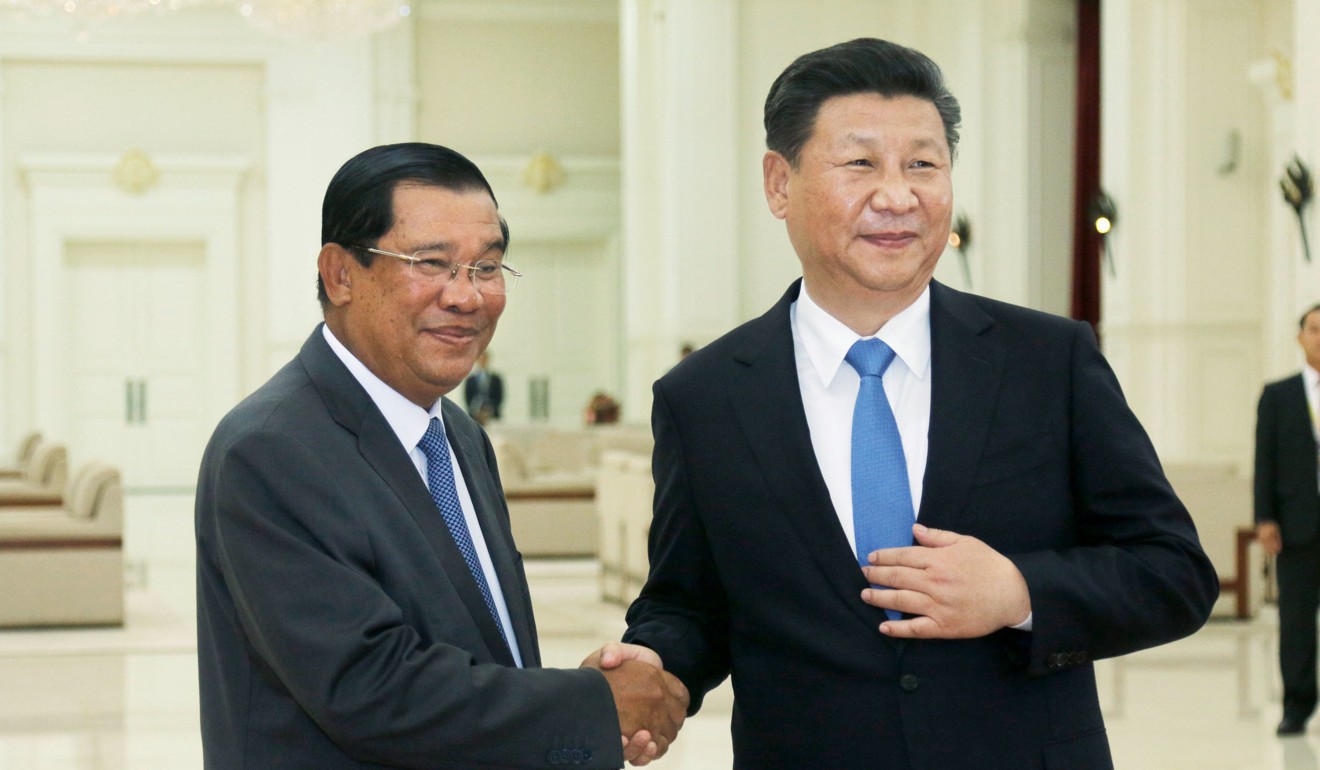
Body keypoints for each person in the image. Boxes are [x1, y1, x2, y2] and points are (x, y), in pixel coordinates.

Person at [615, 38, 1218, 769]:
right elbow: (690, 602)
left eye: (923, 165)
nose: (898, 196)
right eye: (861, 163)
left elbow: (1174, 573)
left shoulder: (1047, 362)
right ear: (780, 183)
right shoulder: (705, 397)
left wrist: (1018, 591)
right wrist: (651, 663)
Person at [195, 142, 687, 769]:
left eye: (487, 268)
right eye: (431, 263)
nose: (466, 297)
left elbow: (479, 649)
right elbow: (369, 689)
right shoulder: (271, 448)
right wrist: (591, 704)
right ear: (340, 274)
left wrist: (561, 699)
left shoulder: (456, 434)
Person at [1255, 303, 1320, 736]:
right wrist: (1265, 517)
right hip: (1298, 527)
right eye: (1314, 329)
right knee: (1296, 622)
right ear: (1300, 337)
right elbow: (1265, 460)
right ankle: (1296, 704)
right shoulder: (1278, 395)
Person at [464, 350, 504, 424]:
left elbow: (499, 397)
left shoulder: (495, 379)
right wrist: (476, 412)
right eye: (481, 359)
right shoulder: (471, 380)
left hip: (492, 415)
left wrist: (490, 410)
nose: (483, 361)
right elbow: (467, 397)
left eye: (485, 359)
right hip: (474, 415)